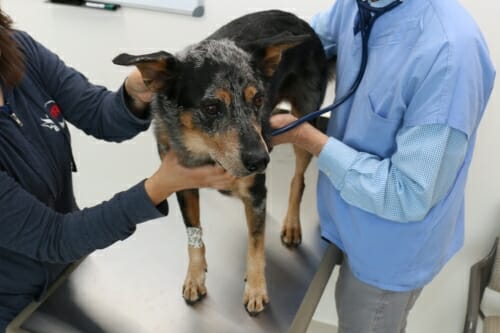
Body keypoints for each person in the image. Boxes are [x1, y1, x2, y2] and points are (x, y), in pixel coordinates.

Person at [0, 7, 235, 331]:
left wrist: (133, 94)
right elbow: (53, 236)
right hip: (10, 306)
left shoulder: (17, 51)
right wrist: (158, 187)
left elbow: (97, 113)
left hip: (67, 274)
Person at [271, 0, 495, 331]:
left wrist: (307, 138)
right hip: (345, 215)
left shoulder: (451, 53)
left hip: (389, 250)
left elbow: (408, 194)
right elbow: (311, 38)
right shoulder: (360, 4)